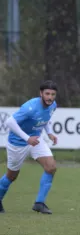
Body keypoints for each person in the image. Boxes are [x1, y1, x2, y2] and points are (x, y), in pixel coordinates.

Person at [0, 80, 58, 215]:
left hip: (36, 140)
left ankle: (39, 203)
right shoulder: (30, 107)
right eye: (47, 94)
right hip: (18, 143)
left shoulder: (53, 105)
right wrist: (27, 138)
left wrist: (49, 133)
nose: (50, 97)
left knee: (51, 167)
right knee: (12, 176)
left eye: (53, 94)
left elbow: (45, 119)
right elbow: (9, 122)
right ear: (41, 94)